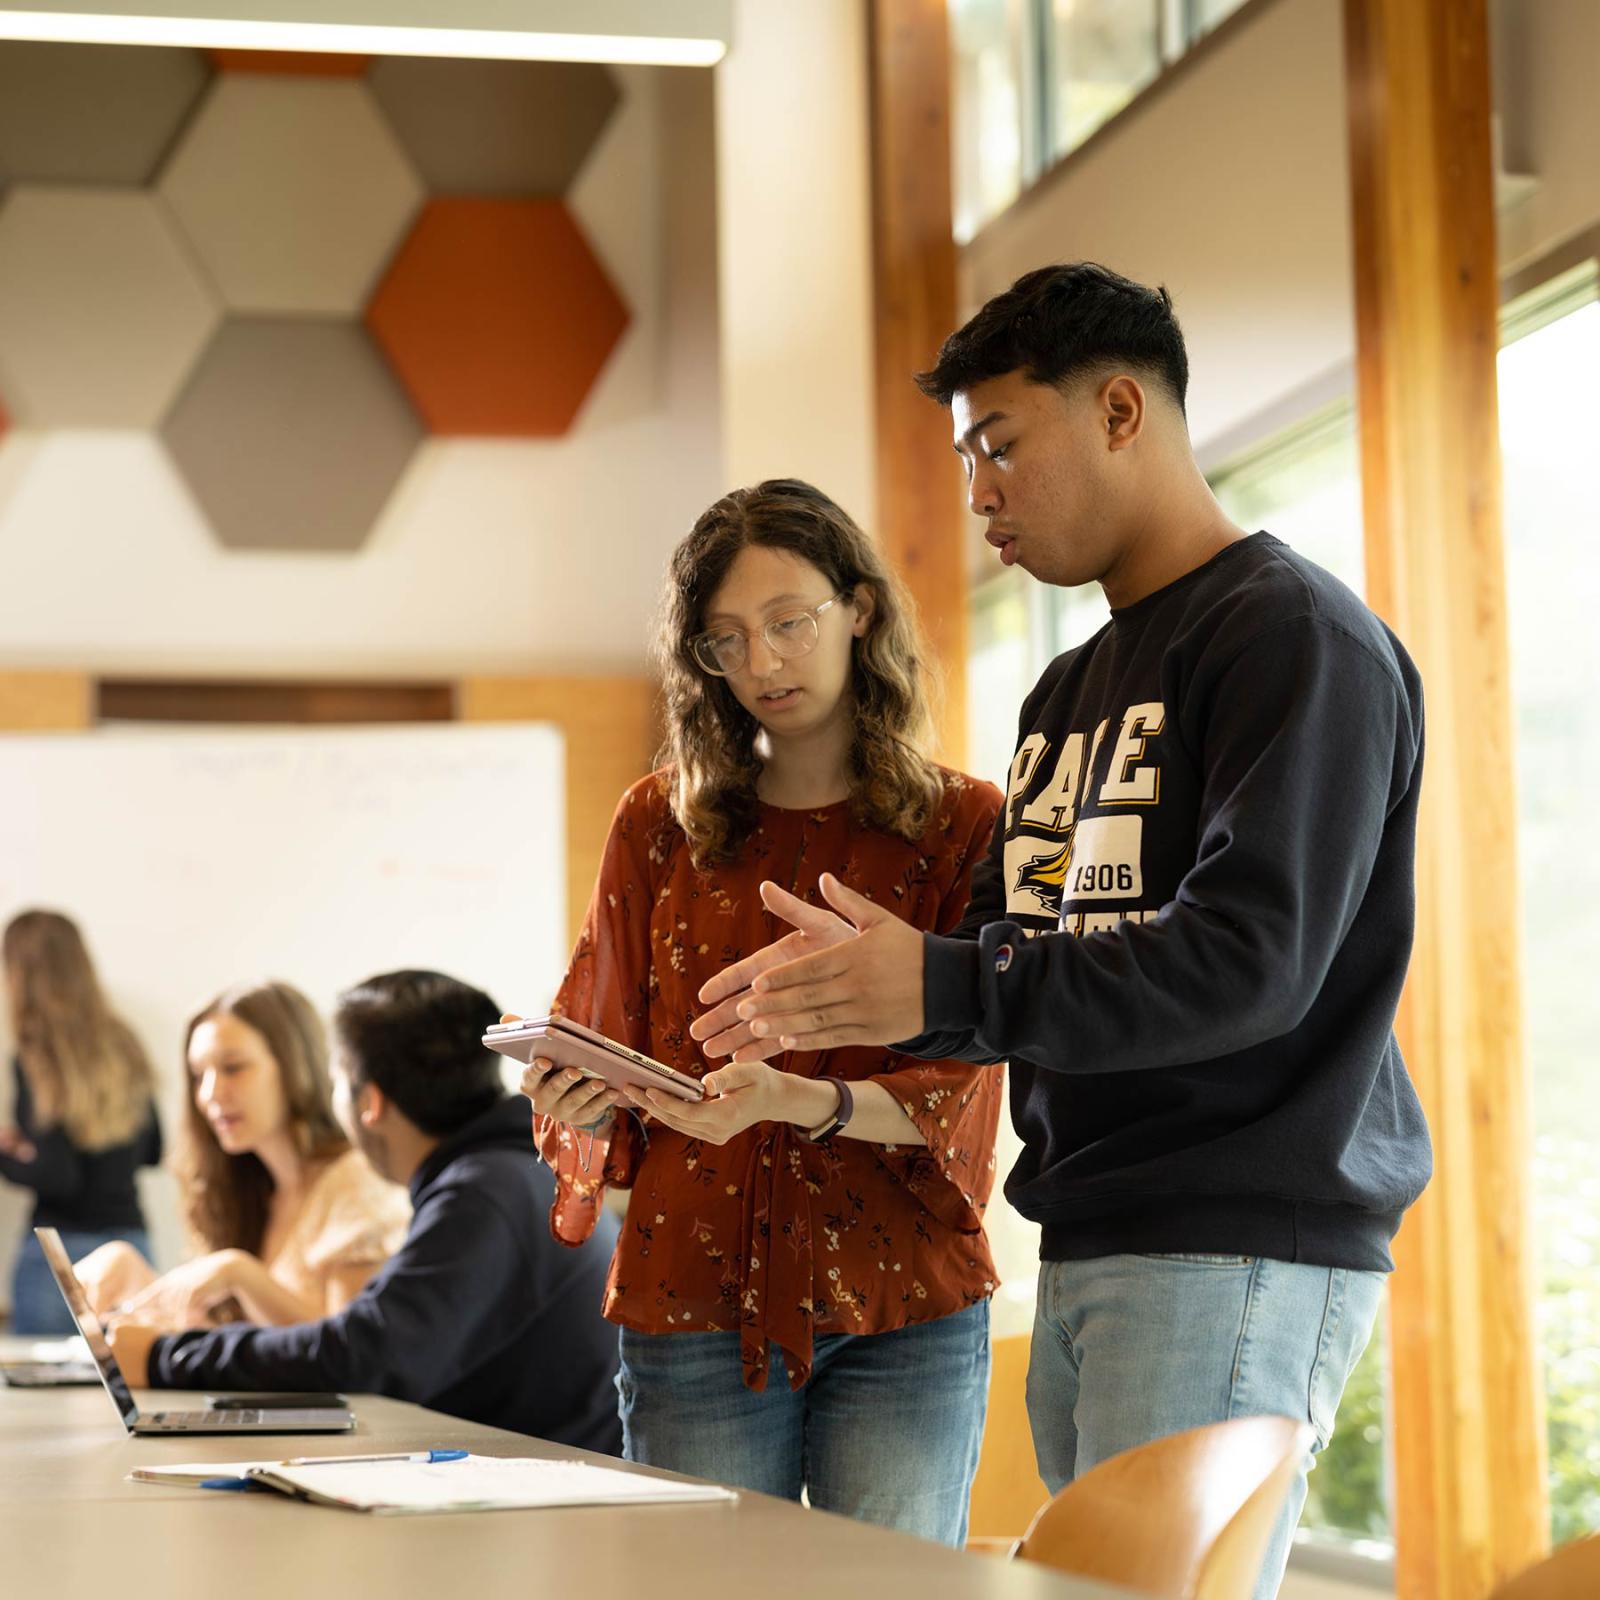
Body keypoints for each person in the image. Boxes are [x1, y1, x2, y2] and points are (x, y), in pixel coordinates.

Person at [696, 266, 1433, 1598]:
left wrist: (943, 975)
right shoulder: (1066, 690)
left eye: (998, 448)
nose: (979, 493)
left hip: (1237, 1226)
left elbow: (1248, 963)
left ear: (1116, 411)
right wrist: (872, 988)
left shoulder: (1292, 636)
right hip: (1093, 1228)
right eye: (966, 459)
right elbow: (1005, 955)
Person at [523, 479, 1004, 1546]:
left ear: (861, 610)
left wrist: (802, 1097)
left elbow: (968, 1086)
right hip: (692, 1290)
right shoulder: (657, 823)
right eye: (726, 640)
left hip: (904, 1300)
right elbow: (597, 1029)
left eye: (790, 622)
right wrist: (581, 1100)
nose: (763, 664)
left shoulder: (963, 823)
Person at [108, 970, 623, 1454]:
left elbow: (364, 1356)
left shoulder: (487, 1192)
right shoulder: (506, 1175)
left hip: (542, 1506)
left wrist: (165, 1357)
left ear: (369, 1101)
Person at [76, 979, 409, 1328]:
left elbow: (349, 1354)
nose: (210, 1093)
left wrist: (241, 1274)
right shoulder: (245, 1188)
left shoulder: (356, 1183)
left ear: (294, 1066)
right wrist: (136, 1280)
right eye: (198, 1075)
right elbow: (227, 1339)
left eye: (233, 1068)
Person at [0, 910, 163, 1335]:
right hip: (131, 1246)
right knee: (127, 1385)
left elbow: (58, 1177)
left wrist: (7, 1153)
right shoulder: (123, 1042)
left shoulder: (38, 1053)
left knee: (43, 1399)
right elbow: (153, 1150)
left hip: (60, 1257)